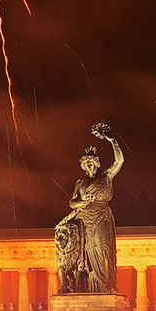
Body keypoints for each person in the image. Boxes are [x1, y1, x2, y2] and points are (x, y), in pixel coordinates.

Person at [54, 124, 124, 293]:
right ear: (83, 166)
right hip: (84, 218)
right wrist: (80, 204)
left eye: (92, 163)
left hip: (101, 215)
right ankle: (84, 285)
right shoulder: (81, 183)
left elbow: (119, 160)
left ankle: (106, 285)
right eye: (87, 164)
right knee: (84, 253)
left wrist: (112, 140)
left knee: (102, 248)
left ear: (97, 163)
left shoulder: (106, 176)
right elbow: (72, 202)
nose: (90, 166)